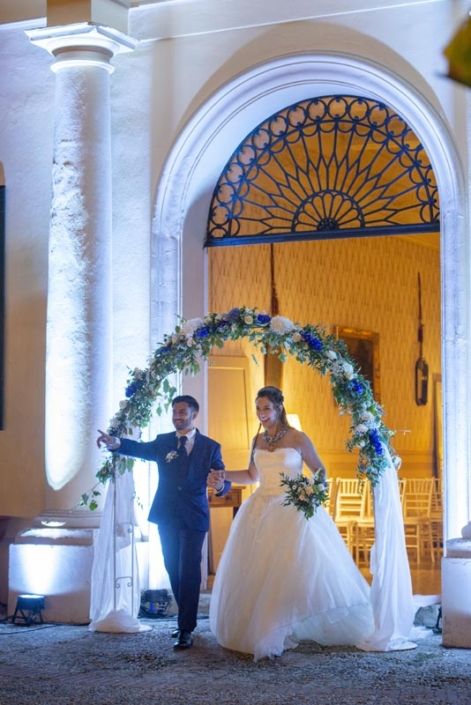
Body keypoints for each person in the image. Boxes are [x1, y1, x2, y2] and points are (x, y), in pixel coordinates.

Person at [209, 386, 374, 661]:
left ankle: (280, 626)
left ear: (278, 408)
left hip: (293, 508)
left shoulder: (298, 437)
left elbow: (320, 470)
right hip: (260, 509)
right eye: (258, 408)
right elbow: (252, 476)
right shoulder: (257, 440)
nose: (261, 413)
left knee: (289, 569)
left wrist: (311, 493)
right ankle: (264, 628)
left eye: (266, 408)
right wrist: (223, 474)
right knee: (261, 571)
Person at [97, 394, 230, 650]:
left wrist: (220, 485)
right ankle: (185, 619)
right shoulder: (163, 442)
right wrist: (115, 443)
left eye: (182, 412)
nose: (177, 416)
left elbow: (221, 476)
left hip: (194, 516)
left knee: (189, 570)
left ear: (194, 414)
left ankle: (186, 627)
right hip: (166, 513)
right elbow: (139, 449)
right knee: (172, 567)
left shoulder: (211, 447)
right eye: (174, 412)